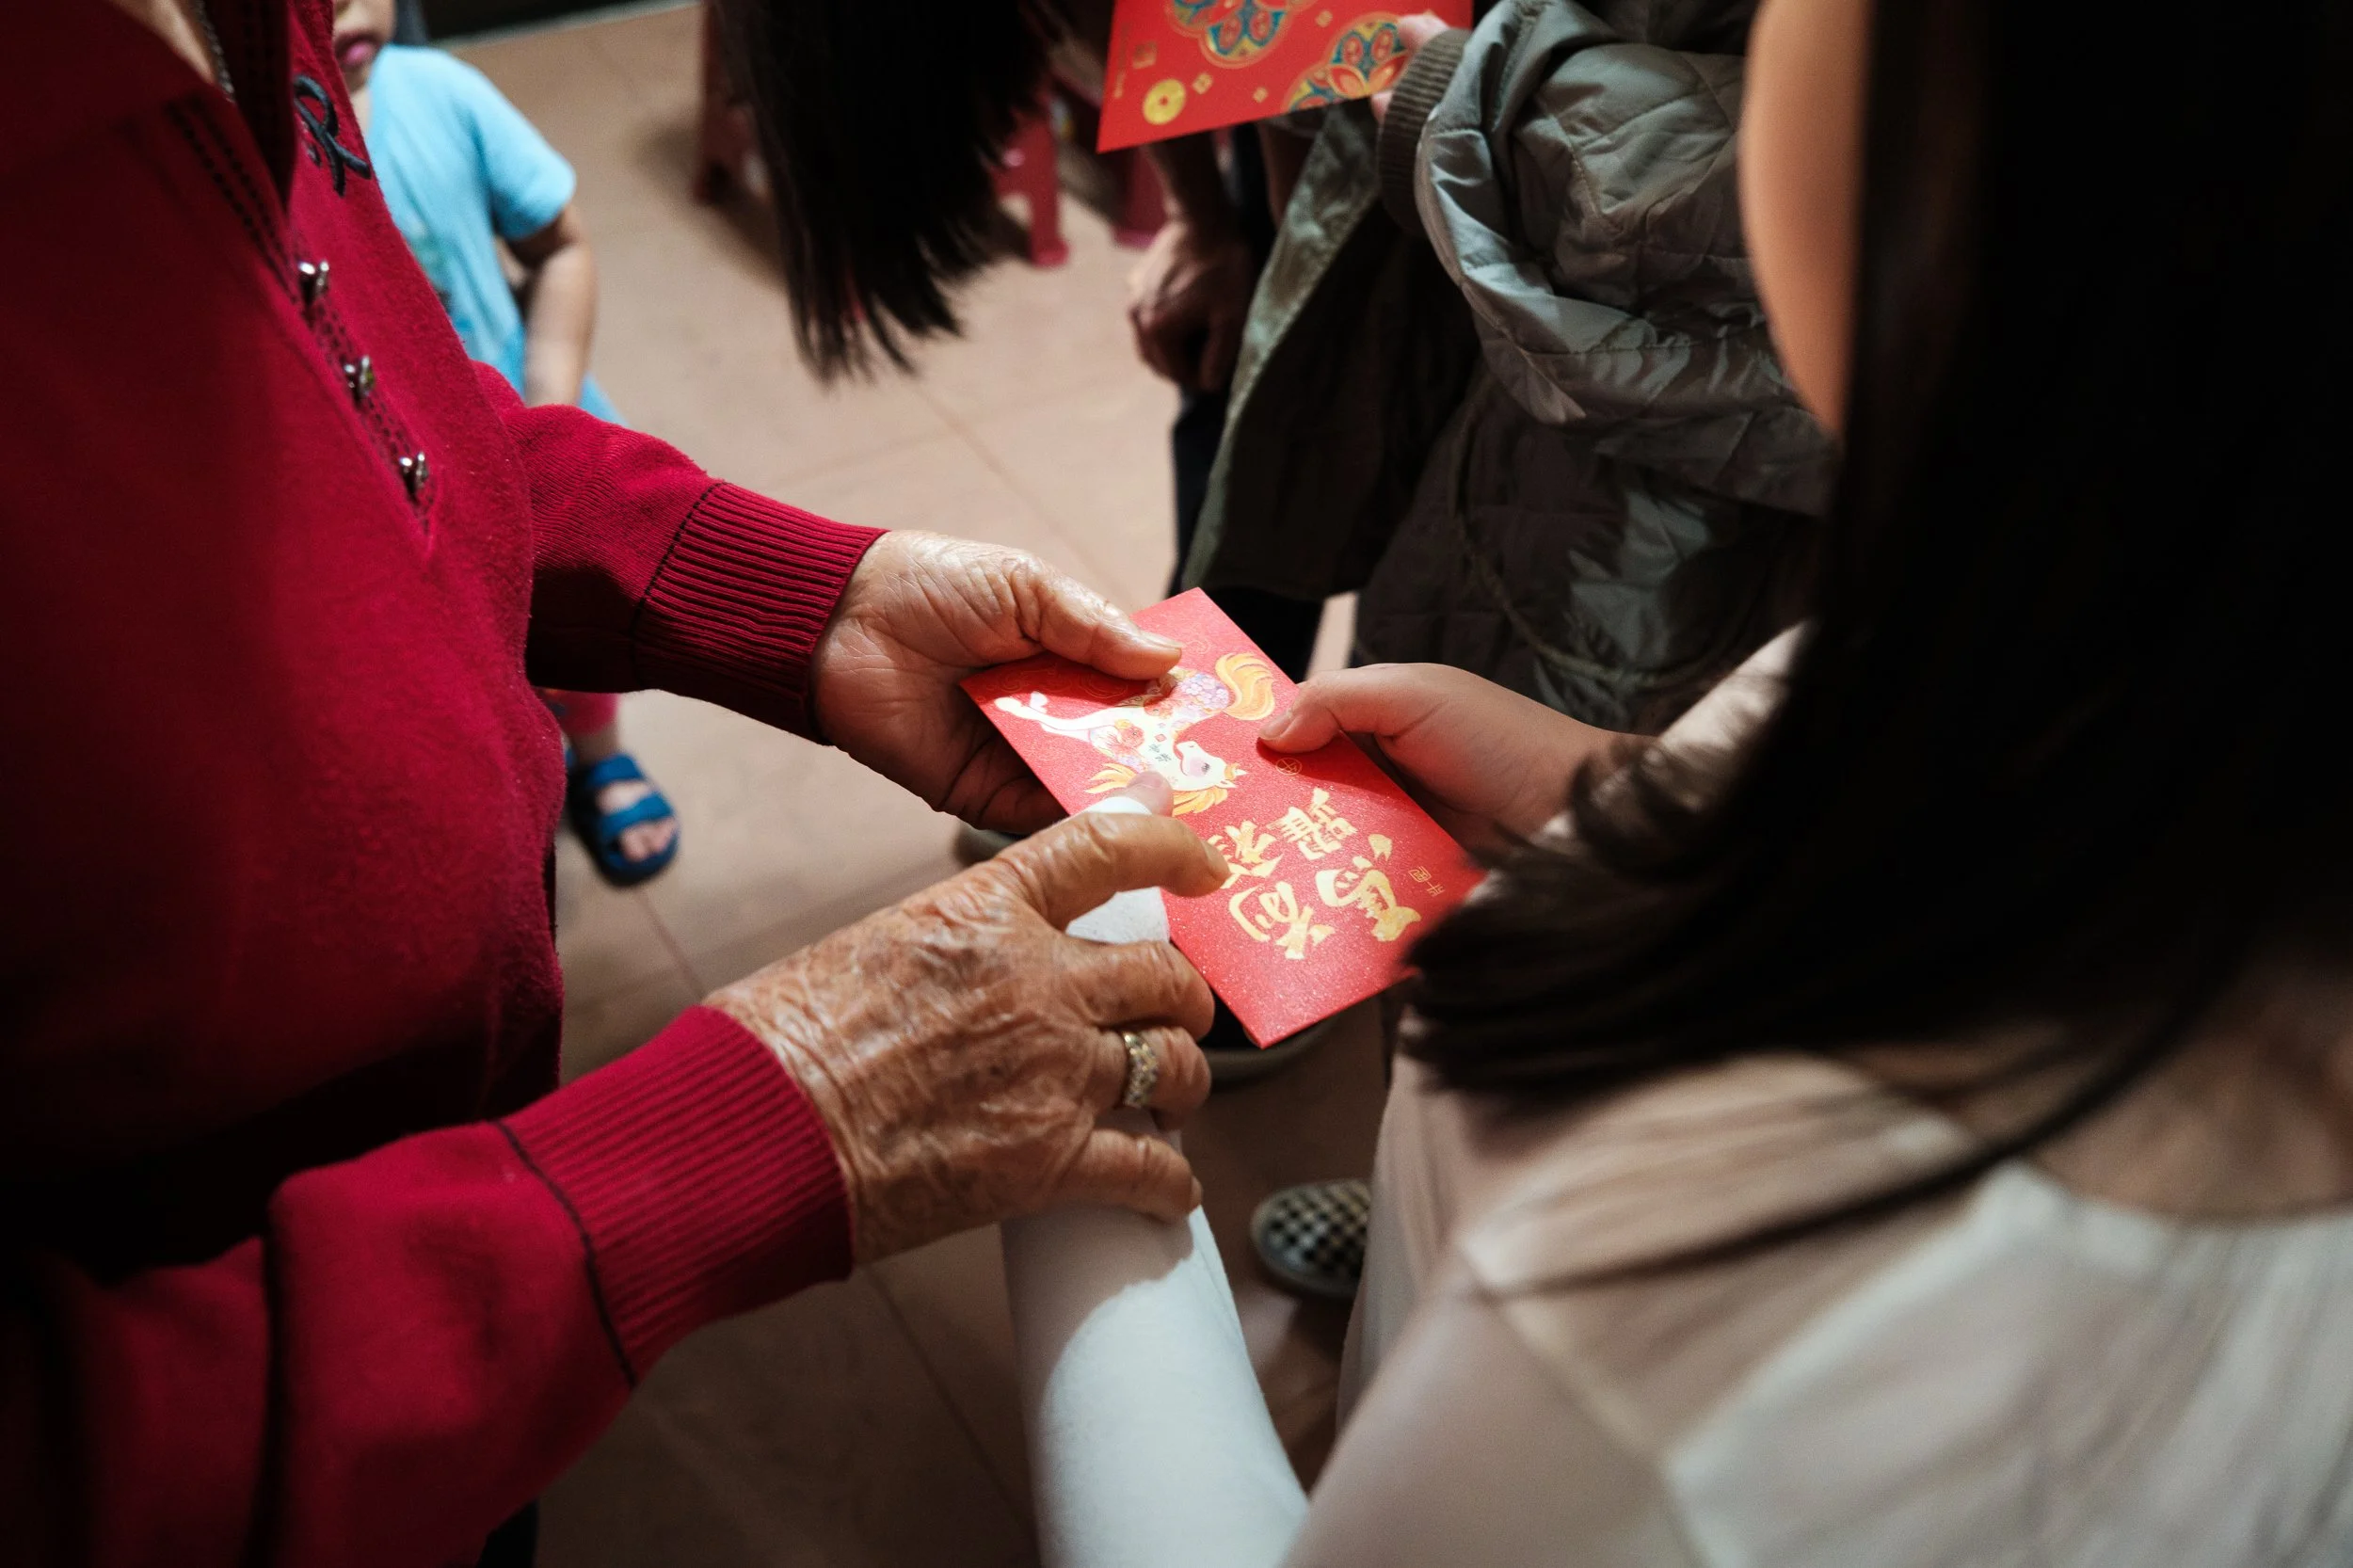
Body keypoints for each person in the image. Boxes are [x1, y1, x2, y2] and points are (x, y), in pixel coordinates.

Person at [1026, 0, 2353, 1554]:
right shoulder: (2144, 644)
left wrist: (1078, 1183)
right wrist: (1606, 785)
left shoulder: (1650, 1345)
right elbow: (1903, 827)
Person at [4, 3, 1232, 1563]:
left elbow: (375, 416)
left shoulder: (253, 31)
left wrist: (798, 600)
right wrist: (729, 1151)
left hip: (448, 1301)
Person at [333, 0, 680, 885]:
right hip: (376, 498)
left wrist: (548, 411)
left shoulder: (442, 94)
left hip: (522, 440)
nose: (341, 4)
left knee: (572, 618)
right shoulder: (239, 158)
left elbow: (561, 245)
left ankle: (599, 756)